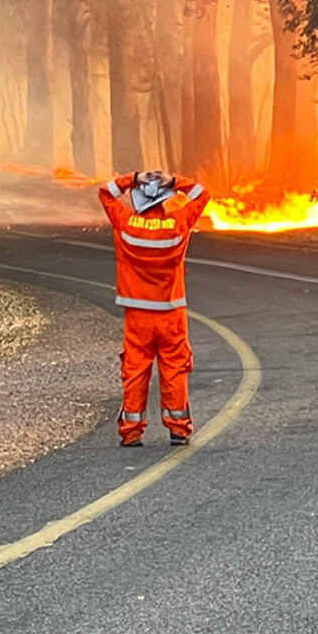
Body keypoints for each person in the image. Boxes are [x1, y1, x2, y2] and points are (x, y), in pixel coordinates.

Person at [99, 170, 210, 447]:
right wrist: (174, 181)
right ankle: (178, 429)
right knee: (174, 368)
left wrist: (133, 178)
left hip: (137, 315)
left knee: (136, 370)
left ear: (138, 200)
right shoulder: (178, 223)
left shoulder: (125, 223)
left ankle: (131, 431)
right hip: (171, 312)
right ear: (164, 201)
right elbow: (202, 194)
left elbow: (106, 193)